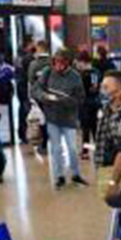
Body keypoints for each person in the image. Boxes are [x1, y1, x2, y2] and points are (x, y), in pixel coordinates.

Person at [31, 48, 87, 189]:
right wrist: (45, 96)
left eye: (62, 63)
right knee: (56, 149)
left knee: (72, 149)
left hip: (69, 118)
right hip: (52, 117)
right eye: (56, 62)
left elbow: (81, 98)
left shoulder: (75, 76)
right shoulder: (47, 72)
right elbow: (35, 90)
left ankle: (75, 174)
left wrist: (66, 100)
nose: (59, 66)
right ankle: (59, 176)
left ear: (68, 62)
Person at [27, 40, 52, 153]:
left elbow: (31, 81)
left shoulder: (34, 64)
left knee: (42, 119)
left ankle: (44, 144)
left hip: (39, 96)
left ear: (40, 49)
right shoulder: (53, 62)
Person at [76, 50, 101, 161]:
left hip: (85, 104)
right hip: (94, 103)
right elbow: (94, 87)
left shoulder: (82, 74)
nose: (78, 64)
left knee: (86, 129)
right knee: (94, 128)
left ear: (83, 61)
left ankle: (86, 152)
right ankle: (97, 150)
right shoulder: (95, 72)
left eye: (79, 62)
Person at [16, 39, 36, 145]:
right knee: (27, 110)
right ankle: (28, 134)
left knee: (22, 109)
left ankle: (22, 134)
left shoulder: (18, 57)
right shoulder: (28, 58)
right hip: (26, 87)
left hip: (20, 86)